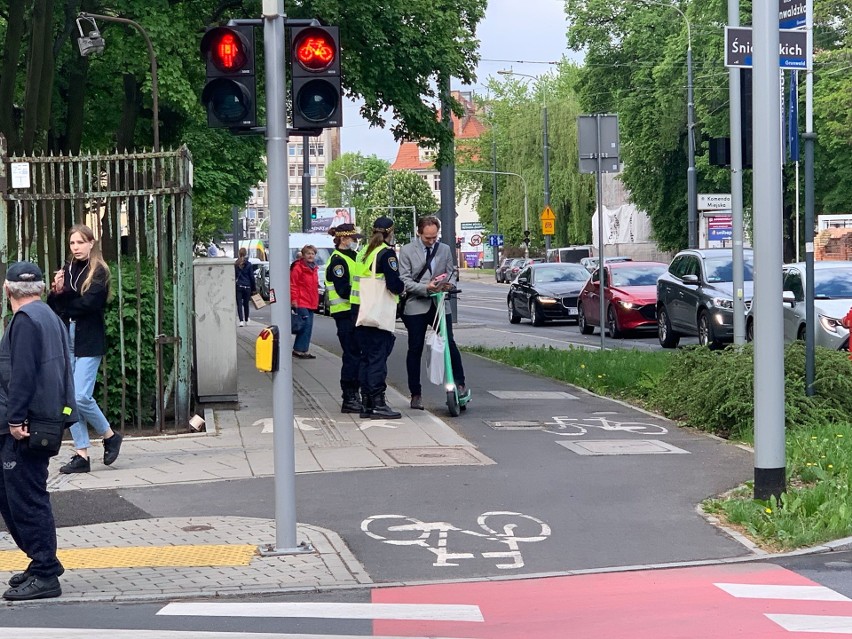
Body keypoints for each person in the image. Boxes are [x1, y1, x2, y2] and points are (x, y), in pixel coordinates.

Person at [0, 261, 76, 600]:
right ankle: (41, 561)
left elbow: (23, 376)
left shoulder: (26, 322)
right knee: (11, 495)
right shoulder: (49, 317)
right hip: (42, 421)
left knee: (27, 499)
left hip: (24, 427)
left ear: (7, 290)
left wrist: (16, 421)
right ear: (42, 288)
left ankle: (46, 572)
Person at [47, 224, 123, 474]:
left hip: (88, 339)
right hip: (66, 337)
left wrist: (64, 301)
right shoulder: (67, 269)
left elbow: (91, 303)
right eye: (72, 243)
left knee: (80, 396)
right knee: (69, 398)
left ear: (91, 243)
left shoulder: (99, 271)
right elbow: (53, 304)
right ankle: (82, 454)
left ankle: (110, 435)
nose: (76, 247)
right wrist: (56, 290)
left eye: (80, 242)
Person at [399, 215, 469, 410]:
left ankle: (460, 384)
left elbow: (451, 272)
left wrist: (448, 285)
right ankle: (415, 394)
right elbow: (403, 280)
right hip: (416, 305)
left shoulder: (445, 249)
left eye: (434, 237)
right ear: (419, 233)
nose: (431, 241)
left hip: (439, 304)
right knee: (415, 348)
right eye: (427, 238)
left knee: (450, 343)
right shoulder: (406, 251)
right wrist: (426, 288)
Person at [355, 217, 405, 419]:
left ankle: (366, 402)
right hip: (378, 314)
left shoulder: (364, 253)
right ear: (390, 233)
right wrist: (403, 288)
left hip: (362, 313)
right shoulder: (386, 254)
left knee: (366, 359)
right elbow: (394, 285)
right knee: (378, 359)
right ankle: (378, 403)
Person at [325, 224, 363, 413]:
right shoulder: (338, 261)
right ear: (343, 239)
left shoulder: (354, 257)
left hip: (356, 312)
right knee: (351, 356)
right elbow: (343, 290)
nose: (355, 241)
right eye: (353, 238)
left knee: (357, 355)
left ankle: (357, 394)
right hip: (345, 314)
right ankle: (349, 397)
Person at [290, 244, 319, 359]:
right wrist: (294, 300)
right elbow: (293, 284)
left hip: (310, 301)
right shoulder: (298, 267)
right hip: (302, 301)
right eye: (308, 253)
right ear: (303, 255)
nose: (311, 256)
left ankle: (302, 349)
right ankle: (299, 349)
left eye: (312, 253)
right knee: (304, 325)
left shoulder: (314, 268)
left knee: (308, 326)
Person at [234, 247, 256, 327]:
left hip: (239, 286)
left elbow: (234, 275)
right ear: (246, 253)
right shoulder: (249, 264)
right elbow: (251, 277)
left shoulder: (236, 264)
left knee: (239, 304)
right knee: (246, 304)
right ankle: (246, 319)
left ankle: (241, 321)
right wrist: (254, 288)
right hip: (247, 286)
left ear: (239, 254)